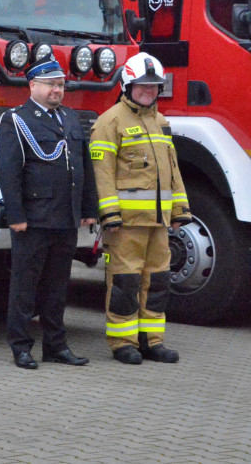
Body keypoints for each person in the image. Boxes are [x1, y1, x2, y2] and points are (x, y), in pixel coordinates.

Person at [89, 52, 192, 365]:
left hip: (158, 224)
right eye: (142, 86)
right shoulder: (109, 122)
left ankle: (152, 341)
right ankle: (123, 343)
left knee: (158, 281)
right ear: (127, 85)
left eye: (154, 86)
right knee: (125, 283)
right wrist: (110, 215)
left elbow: (172, 170)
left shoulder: (161, 122)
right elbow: (102, 174)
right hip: (126, 225)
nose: (149, 91)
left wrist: (179, 210)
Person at [0, 57, 98, 369]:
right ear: (33, 86)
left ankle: (55, 345)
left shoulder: (68, 118)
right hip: (34, 219)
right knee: (25, 287)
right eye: (51, 84)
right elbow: (8, 173)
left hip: (65, 218)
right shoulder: (17, 119)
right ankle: (21, 347)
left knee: (57, 286)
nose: (57, 89)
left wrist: (88, 208)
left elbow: (84, 168)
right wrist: (16, 215)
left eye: (61, 84)